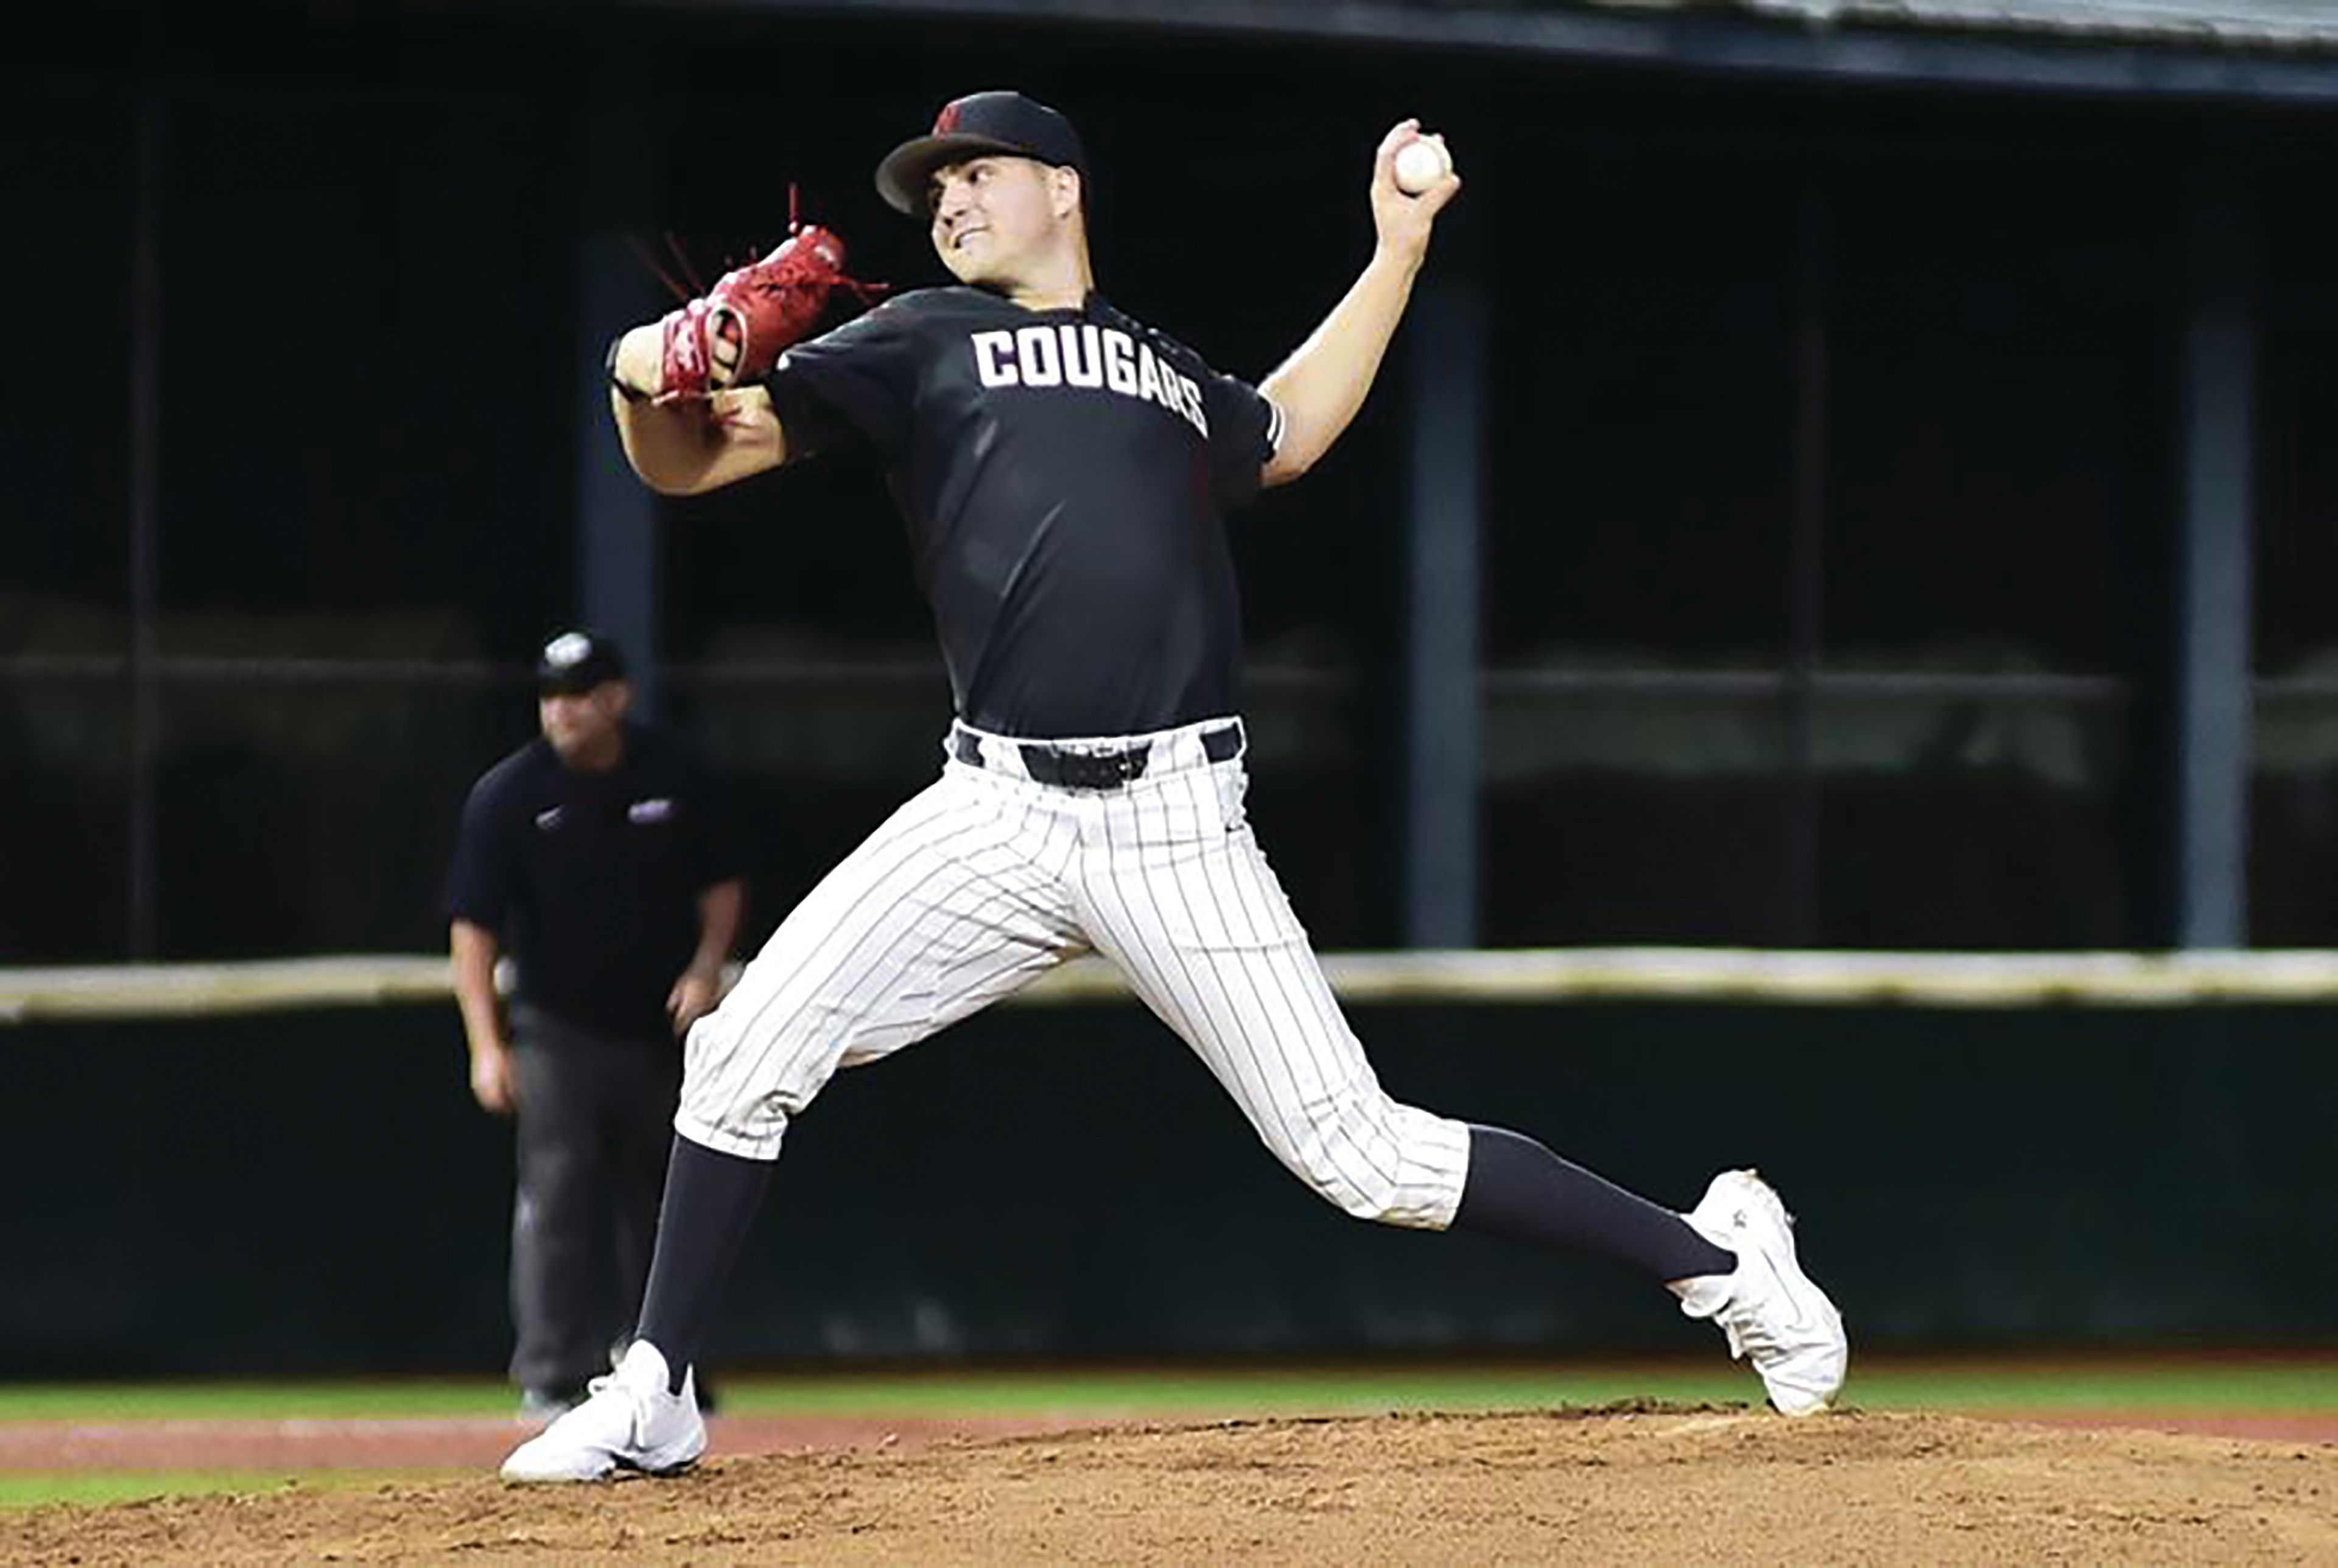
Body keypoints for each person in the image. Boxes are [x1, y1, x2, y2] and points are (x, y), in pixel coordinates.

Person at [504, 92, 1845, 1482]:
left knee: (1364, 1156)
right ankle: (655, 1386)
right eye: (935, 189)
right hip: (995, 811)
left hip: (1174, 820)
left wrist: (1394, 249)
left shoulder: (1155, 363)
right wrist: (634, 367)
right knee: (740, 1052)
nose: (948, 202)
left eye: (978, 174)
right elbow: (694, 454)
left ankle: (1725, 1264)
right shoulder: (919, 341)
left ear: (1066, 189)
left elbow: (1290, 431)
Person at [449, 629, 745, 1423]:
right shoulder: (509, 795)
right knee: (557, 1197)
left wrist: (706, 966)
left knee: (669, 1198)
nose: (562, 712)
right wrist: (487, 1044)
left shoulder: (674, 775)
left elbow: (721, 885)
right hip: (557, 1030)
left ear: (617, 697)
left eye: (578, 695)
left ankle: (664, 1366)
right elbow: (472, 929)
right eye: (550, 696)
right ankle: (551, 1371)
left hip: (659, 1028)